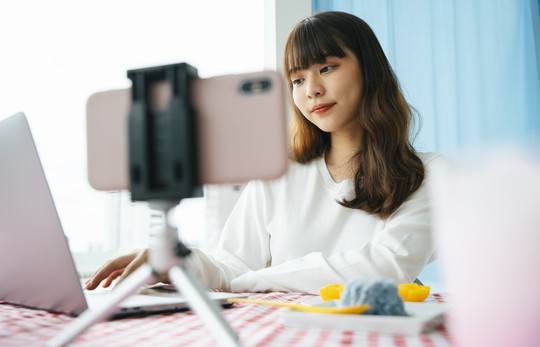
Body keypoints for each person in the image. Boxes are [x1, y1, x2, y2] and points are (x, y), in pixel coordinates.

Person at [85, 11, 445, 295]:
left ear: (370, 70)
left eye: (327, 68)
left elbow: (386, 270)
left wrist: (251, 282)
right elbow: (232, 266)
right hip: (279, 338)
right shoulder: (280, 172)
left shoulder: (430, 176)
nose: (312, 91)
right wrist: (175, 263)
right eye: (297, 79)